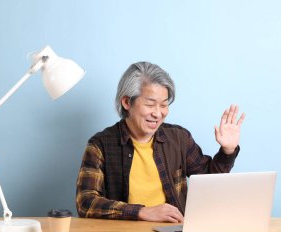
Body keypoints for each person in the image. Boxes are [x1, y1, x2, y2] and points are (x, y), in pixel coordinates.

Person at [76, 62, 245, 223]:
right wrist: (141, 212)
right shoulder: (100, 145)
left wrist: (227, 151)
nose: (158, 114)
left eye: (164, 105)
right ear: (127, 102)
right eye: (150, 104)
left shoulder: (179, 138)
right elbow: (85, 202)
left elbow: (209, 181)